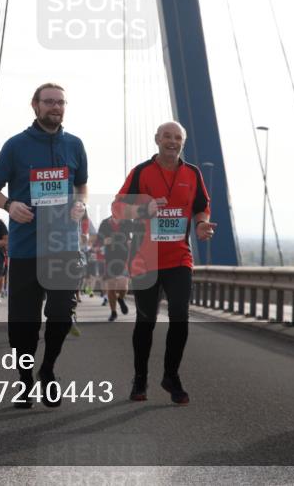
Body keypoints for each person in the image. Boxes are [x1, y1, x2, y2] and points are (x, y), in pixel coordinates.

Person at [0, 82, 88, 408]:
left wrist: (81, 205)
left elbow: (82, 185)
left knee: (60, 313)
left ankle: (48, 370)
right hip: (27, 247)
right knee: (22, 328)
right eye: (49, 102)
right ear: (35, 105)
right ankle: (25, 380)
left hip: (64, 245)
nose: (55, 107)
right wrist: (9, 204)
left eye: (60, 102)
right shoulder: (15, 146)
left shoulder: (75, 145)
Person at [112, 122, 213, 405]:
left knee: (180, 316)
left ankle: (171, 375)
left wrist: (202, 225)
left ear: (183, 142)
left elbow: (201, 207)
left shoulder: (192, 173)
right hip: (146, 258)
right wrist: (142, 208)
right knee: (146, 321)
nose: (172, 141)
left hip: (179, 257)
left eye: (177, 137)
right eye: (167, 136)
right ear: (156, 139)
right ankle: (140, 379)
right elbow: (118, 207)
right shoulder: (141, 172)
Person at [96, 214, 133, 321]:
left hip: (124, 257)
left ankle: (121, 299)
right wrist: (104, 241)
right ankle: (113, 312)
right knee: (111, 286)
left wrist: (131, 242)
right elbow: (99, 239)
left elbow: (134, 235)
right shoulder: (104, 223)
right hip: (110, 258)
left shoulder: (127, 220)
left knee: (124, 285)